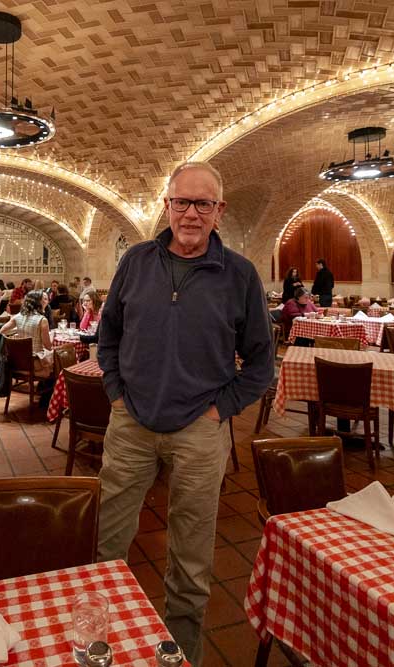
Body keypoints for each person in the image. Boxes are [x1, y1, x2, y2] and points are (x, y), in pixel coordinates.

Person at [97, 162, 273, 665]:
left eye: (203, 204)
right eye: (181, 202)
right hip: (130, 424)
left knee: (191, 563)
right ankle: (98, 648)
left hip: (200, 429)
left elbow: (262, 364)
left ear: (219, 211)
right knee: (107, 545)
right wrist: (114, 393)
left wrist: (220, 411)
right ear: (167, 206)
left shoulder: (239, 274)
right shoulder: (135, 261)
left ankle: (181, 657)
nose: (190, 214)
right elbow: (107, 336)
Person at [0, 289, 53, 374]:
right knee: (59, 358)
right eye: (45, 299)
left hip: (16, 361)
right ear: (38, 302)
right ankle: (46, 386)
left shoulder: (18, 316)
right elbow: (48, 346)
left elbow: (2, 331)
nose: (47, 302)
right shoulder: (42, 320)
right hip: (34, 362)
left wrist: (19, 330)